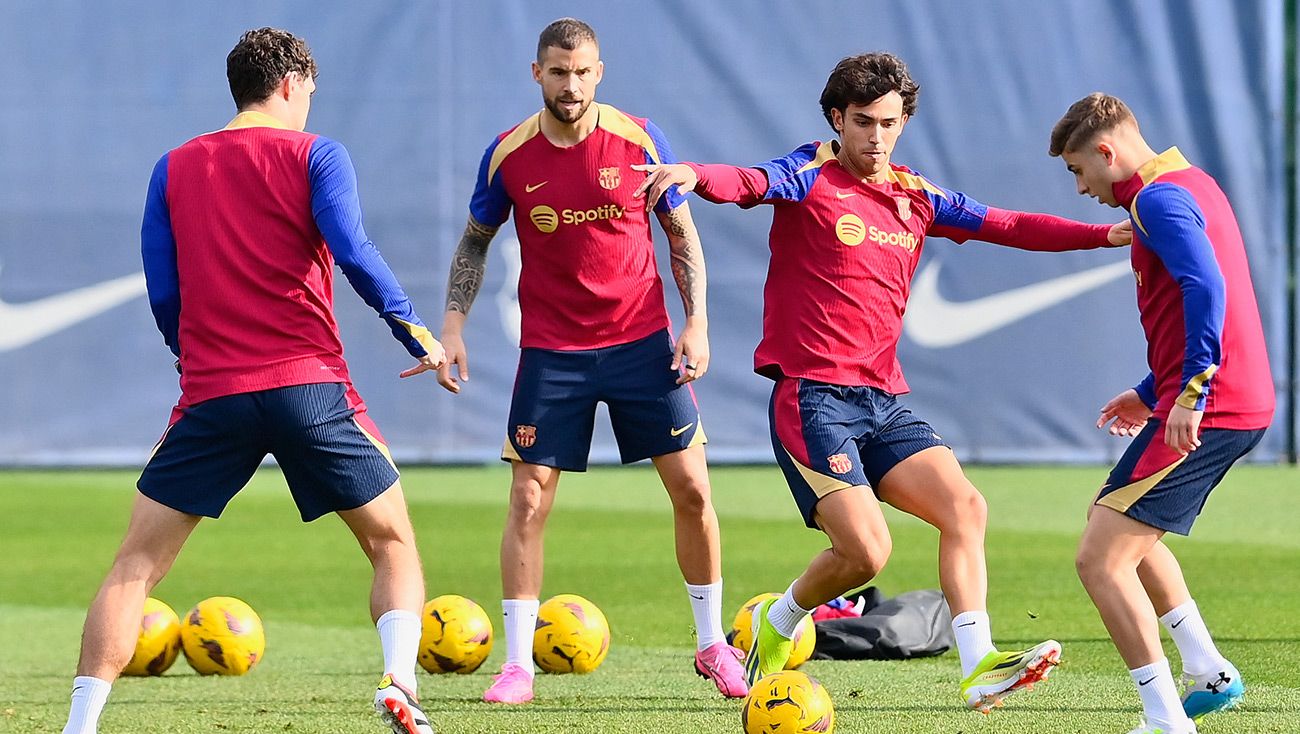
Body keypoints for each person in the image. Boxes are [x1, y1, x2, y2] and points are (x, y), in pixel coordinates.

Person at [633, 52, 1132, 711]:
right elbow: (749, 182)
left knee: (966, 509)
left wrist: (1106, 236)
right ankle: (780, 622)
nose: (876, 137)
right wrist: (695, 174)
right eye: (863, 122)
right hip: (813, 401)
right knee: (866, 553)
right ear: (838, 119)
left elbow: (1006, 224)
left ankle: (979, 662)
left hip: (883, 403)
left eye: (889, 123)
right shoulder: (809, 171)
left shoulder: (917, 197)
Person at [60, 28, 444, 734]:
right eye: (311, 93)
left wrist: (192, 358)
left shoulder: (173, 167)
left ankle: (80, 725)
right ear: (292, 85)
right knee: (391, 543)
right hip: (310, 386)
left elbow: (164, 292)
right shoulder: (316, 153)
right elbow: (353, 250)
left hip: (212, 393)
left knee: (136, 565)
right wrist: (413, 328)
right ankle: (399, 682)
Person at [437, 17, 747, 704]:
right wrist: (452, 327)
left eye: (581, 72)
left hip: (642, 343)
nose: (569, 84)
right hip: (553, 352)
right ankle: (517, 666)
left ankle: (710, 645)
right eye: (557, 72)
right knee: (527, 499)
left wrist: (696, 323)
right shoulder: (508, 154)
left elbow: (680, 231)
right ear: (537, 73)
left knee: (693, 490)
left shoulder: (639, 139)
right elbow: (474, 242)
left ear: (598, 73)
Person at [1050, 93, 1274, 734]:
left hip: (1218, 404)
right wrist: (1153, 390)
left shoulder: (1156, 199)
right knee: (1121, 525)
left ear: (1105, 151)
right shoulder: (1192, 180)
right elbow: (1196, 299)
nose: (1081, 187)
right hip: (1227, 398)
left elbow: (1208, 286)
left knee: (1100, 559)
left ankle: (1166, 719)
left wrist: (1192, 392)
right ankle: (1208, 671)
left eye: (1076, 170)